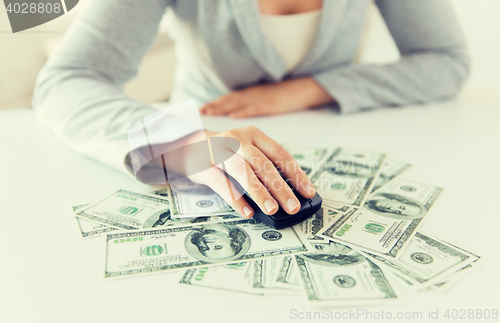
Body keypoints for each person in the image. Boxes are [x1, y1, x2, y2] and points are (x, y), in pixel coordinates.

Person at [32, 0, 469, 219]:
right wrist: (180, 142)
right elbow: (67, 79)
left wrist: (312, 89)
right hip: (208, 138)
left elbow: (446, 60)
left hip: (342, 131)